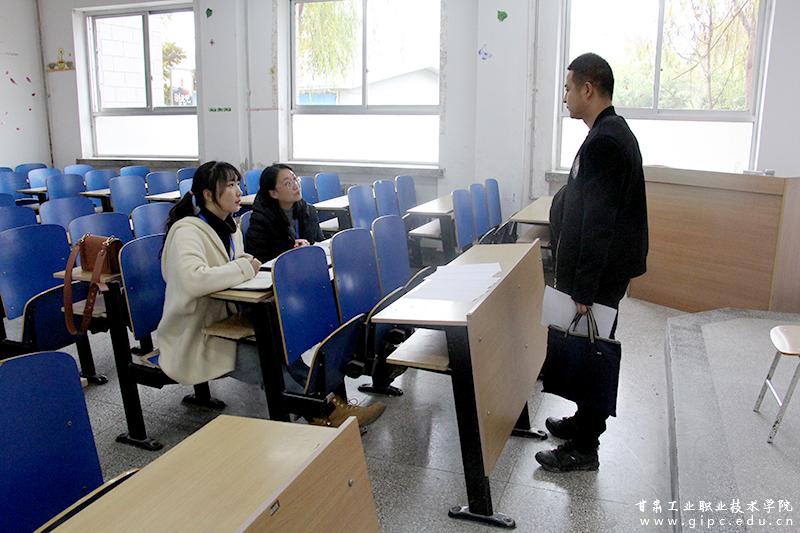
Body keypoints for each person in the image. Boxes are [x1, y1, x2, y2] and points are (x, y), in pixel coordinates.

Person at [536, 53, 648, 473]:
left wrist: (583, 288)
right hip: (604, 270)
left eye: (568, 88)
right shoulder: (607, 132)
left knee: (594, 352)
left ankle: (586, 447)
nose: (565, 96)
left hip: (599, 274)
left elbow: (599, 224)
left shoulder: (606, 141)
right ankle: (583, 421)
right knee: (589, 346)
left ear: (587, 89)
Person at [245, 164, 325, 262]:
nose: (296, 186)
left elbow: (319, 242)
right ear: (273, 193)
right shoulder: (261, 219)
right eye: (288, 183)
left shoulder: (308, 211)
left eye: (295, 179)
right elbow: (257, 258)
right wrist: (290, 249)